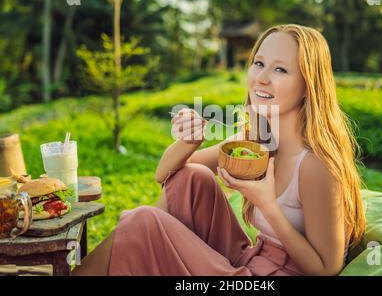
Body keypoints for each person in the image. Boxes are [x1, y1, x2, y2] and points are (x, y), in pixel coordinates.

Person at [71, 24, 366, 276]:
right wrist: (189, 143)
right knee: (193, 178)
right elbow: (167, 175)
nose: (262, 78)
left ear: (308, 85)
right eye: (259, 63)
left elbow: (327, 268)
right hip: (252, 258)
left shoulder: (315, 165)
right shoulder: (255, 142)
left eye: (280, 69)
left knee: (143, 222)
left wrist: (267, 205)